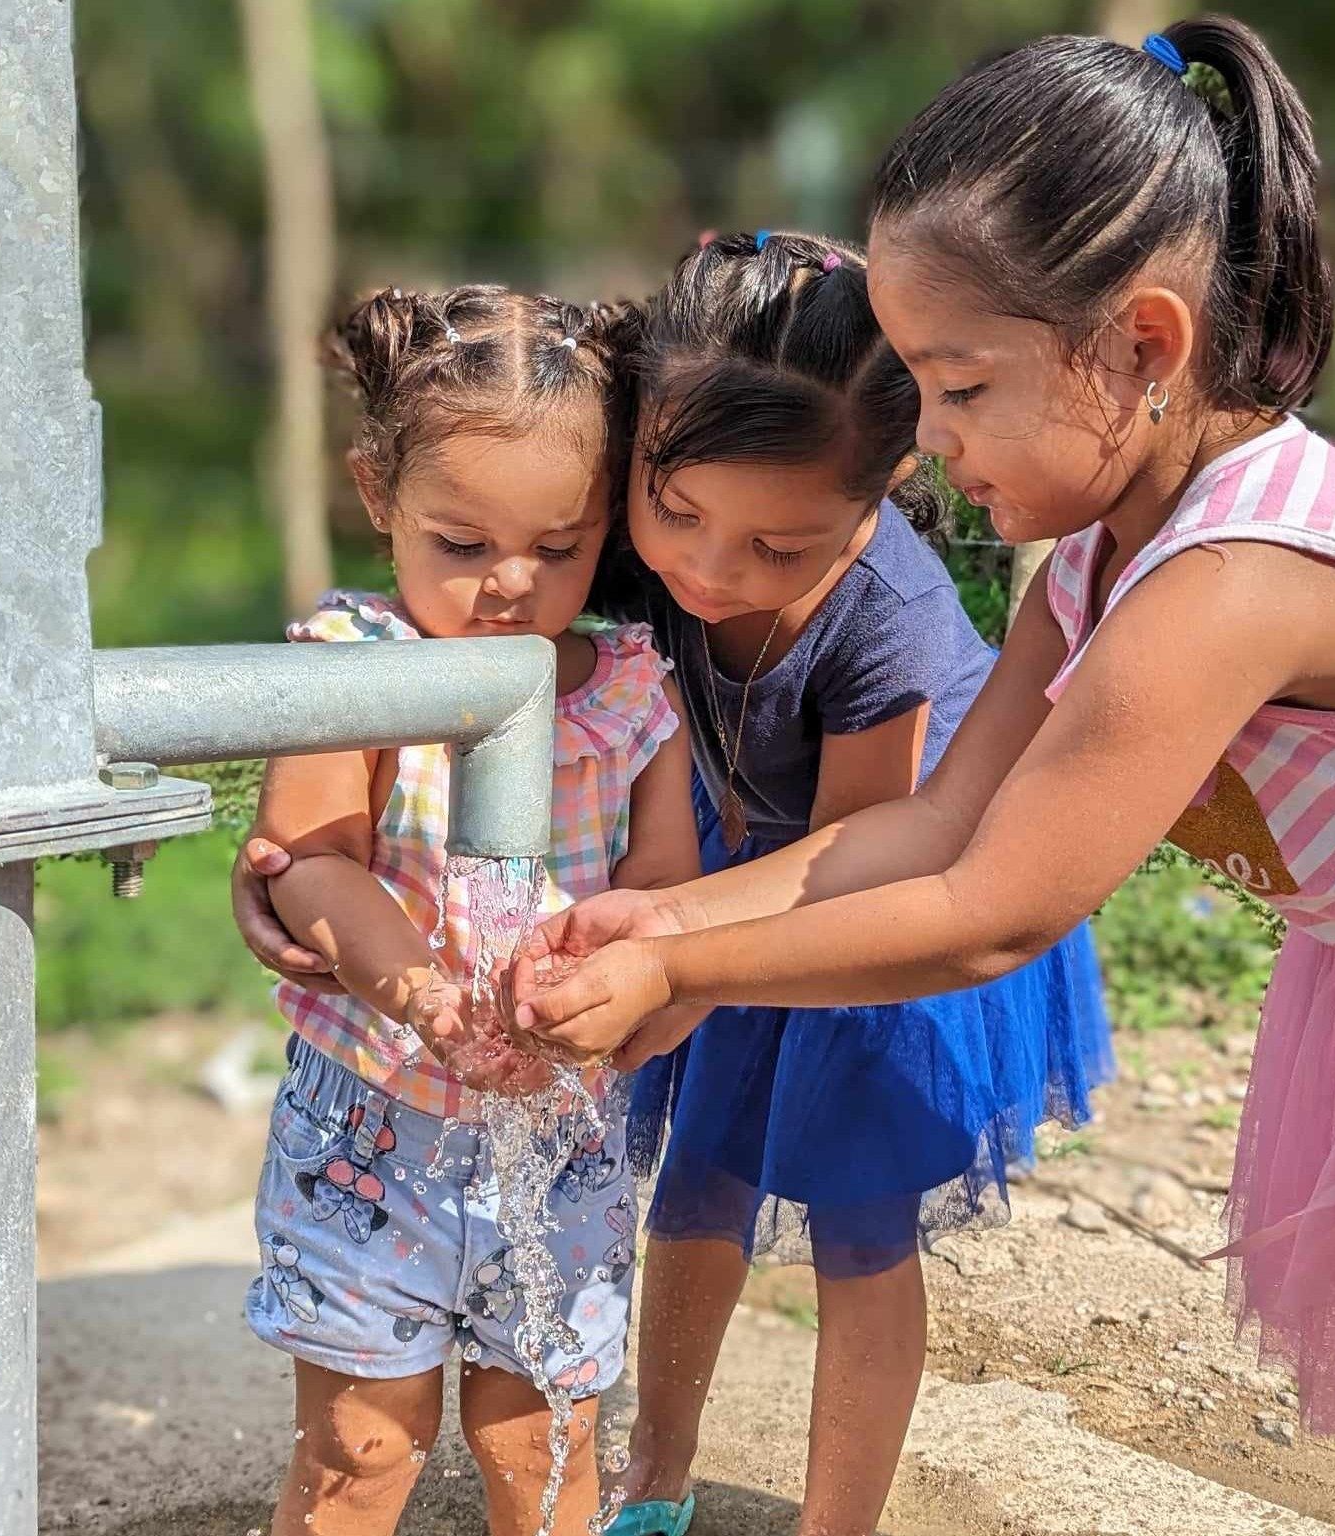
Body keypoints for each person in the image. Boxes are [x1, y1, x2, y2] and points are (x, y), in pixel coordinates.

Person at [511, 21, 1335, 1536]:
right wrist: (658, 933)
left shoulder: (1234, 578)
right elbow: (934, 822)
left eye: (956, 388)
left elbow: (990, 913)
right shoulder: (1090, 553)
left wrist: (701, 966)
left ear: (1142, 347)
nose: (927, 450)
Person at [239, 233, 1111, 1536]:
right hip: (598, 942)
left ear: (883, 494)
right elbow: (325, 836)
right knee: (689, 1172)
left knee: (855, 1216)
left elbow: (867, 848)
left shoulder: (872, 623)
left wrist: (684, 967)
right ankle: (660, 1473)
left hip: (880, 873)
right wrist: (315, 885)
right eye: (678, 519)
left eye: (780, 545)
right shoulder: (599, 527)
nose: (708, 570)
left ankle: (836, 1520)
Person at [243, 283, 700, 1536]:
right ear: (378, 495)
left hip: (566, 1125)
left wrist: (630, 996)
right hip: (373, 1123)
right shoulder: (353, 671)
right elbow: (317, 861)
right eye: (462, 544)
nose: (510, 584)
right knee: (360, 1444)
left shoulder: (627, 692)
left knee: (539, 1439)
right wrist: (429, 999)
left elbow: (662, 893)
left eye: (559, 549)